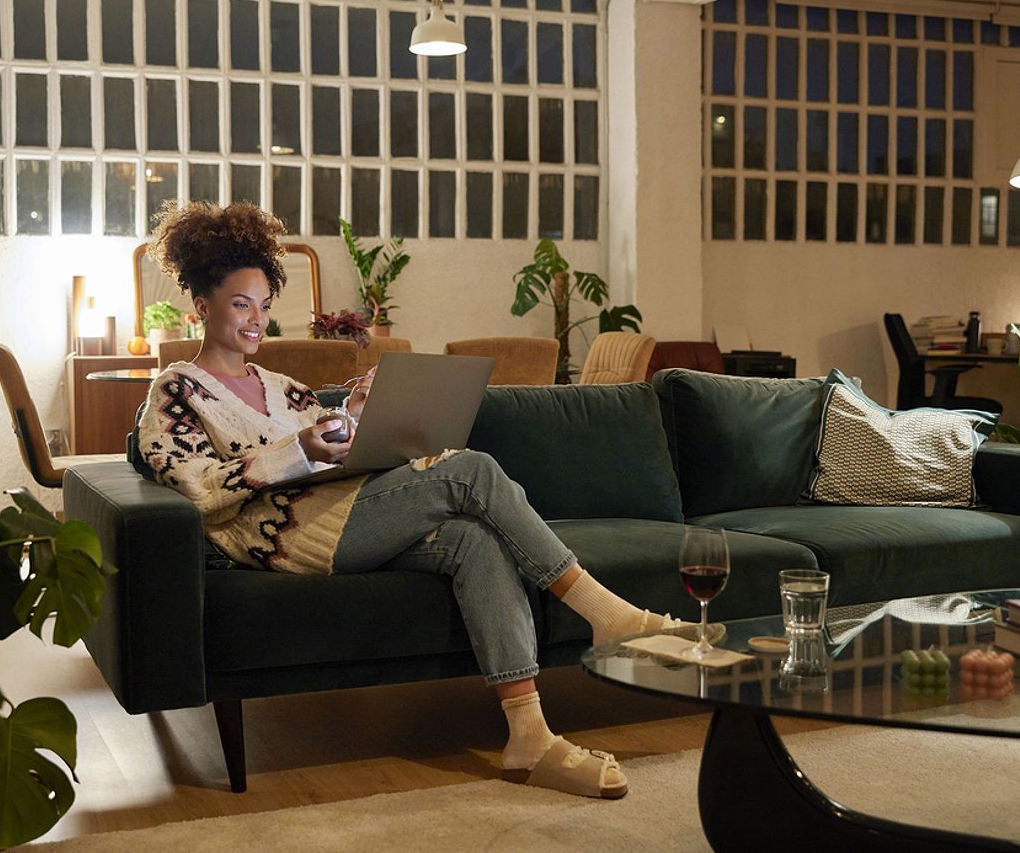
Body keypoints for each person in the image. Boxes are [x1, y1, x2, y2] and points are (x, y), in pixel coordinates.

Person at [138, 200, 689, 800]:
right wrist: (297, 451)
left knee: (472, 541)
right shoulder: (175, 389)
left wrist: (359, 413)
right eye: (241, 304)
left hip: (348, 513)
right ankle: (610, 617)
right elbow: (196, 486)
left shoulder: (283, 386)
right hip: (289, 540)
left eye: (264, 306)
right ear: (201, 306)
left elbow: (334, 443)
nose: (255, 320)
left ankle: (528, 735)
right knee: (468, 471)